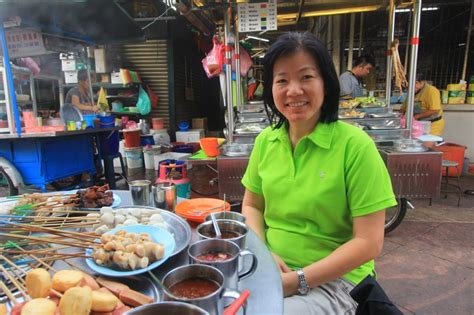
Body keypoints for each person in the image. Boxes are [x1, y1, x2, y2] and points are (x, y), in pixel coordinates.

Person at [241, 32, 397, 314]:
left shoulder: (355, 146)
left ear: (326, 82)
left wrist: (296, 281)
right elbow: (252, 204)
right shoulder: (266, 140)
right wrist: (264, 254)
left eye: (306, 77)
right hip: (271, 267)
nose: (294, 90)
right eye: (282, 80)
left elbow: (369, 242)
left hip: (335, 280)